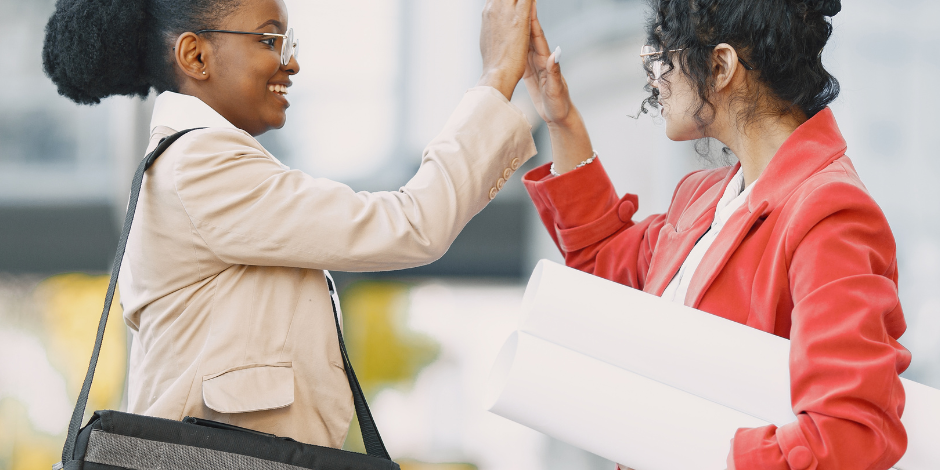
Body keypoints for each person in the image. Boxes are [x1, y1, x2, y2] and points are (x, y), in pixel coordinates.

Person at [42, 0, 539, 447]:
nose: (292, 61)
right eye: (269, 38)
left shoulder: (193, 163)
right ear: (195, 57)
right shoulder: (201, 163)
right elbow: (411, 224)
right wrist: (496, 77)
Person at [519, 1, 908, 469]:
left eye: (663, 55)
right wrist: (561, 121)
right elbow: (604, 266)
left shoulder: (830, 213)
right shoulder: (703, 199)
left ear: (721, 66)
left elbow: (851, 433)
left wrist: (706, 453)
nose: (653, 77)